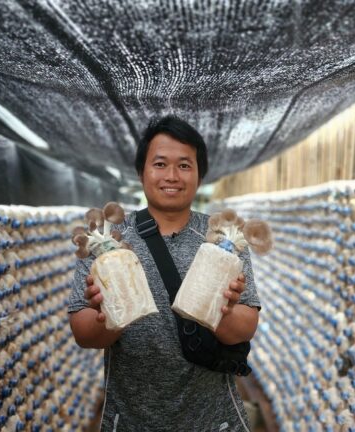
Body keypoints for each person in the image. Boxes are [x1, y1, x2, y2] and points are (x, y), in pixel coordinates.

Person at [67, 115, 262, 431]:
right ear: (141, 173)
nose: (172, 175)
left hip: (214, 421)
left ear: (199, 175)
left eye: (184, 165)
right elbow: (83, 332)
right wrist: (109, 317)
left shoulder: (223, 238)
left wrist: (222, 311)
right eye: (160, 164)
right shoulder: (107, 239)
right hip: (131, 420)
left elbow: (245, 326)